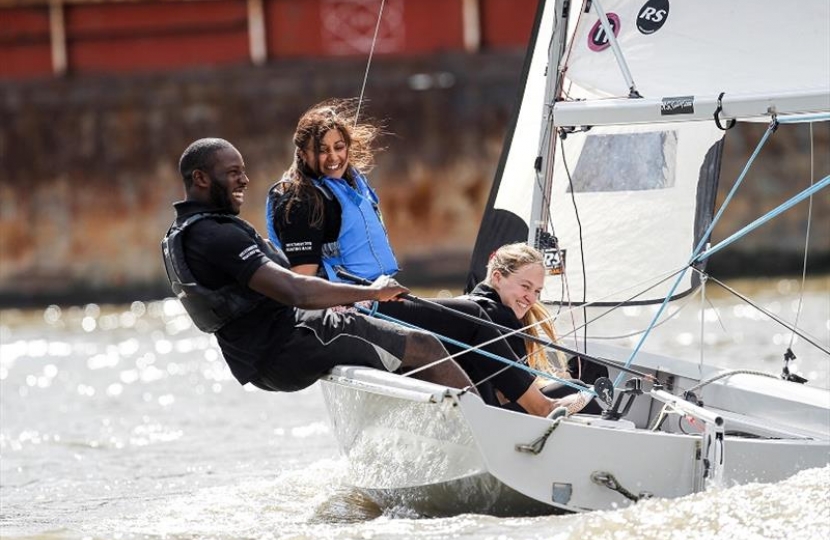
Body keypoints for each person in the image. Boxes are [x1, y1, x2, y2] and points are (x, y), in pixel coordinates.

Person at [265, 100, 574, 416]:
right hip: (359, 307)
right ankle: (538, 406)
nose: (333, 157)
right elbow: (303, 284)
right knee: (474, 318)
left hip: (381, 295)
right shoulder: (300, 200)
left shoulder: (346, 183)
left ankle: (500, 409)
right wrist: (352, 304)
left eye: (339, 147)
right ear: (303, 153)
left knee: (483, 314)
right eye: (322, 150)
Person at [161, 137, 473, 395]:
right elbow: (295, 290)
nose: (244, 179)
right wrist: (371, 291)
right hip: (289, 345)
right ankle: (490, 429)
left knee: (401, 352)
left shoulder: (185, 231)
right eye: (232, 172)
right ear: (200, 178)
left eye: (242, 171)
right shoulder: (216, 236)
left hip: (258, 359)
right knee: (424, 345)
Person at [465, 243, 608, 414]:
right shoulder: (498, 315)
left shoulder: (471, 303)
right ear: (497, 278)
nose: (531, 298)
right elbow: (508, 394)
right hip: (490, 416)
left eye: (537, 291)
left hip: (473, 409)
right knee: (575, 388)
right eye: (525, 286)